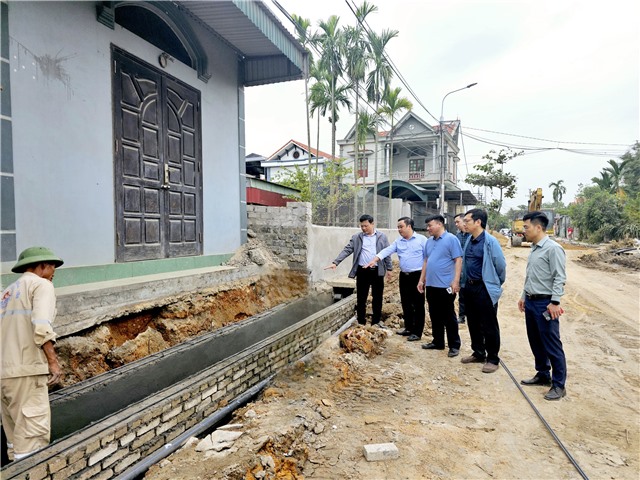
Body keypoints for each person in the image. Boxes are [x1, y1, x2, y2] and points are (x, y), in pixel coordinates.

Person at [1, 247, 64, 461]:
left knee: (15, 439)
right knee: (32, 443)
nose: (54, 270)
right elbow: (41, 325)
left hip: (5, 375)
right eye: (52, 265)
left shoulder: (7, 292)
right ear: (41, 266)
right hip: (26, 372)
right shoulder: (41, 285)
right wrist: (53, 362)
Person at [517, 211, 568, 401]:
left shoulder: (553, 249)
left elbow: (559, 277)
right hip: (531, 301)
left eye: (526, 227)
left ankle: (559, 385)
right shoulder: (535, 248)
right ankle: (543, 374)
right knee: (535, 340)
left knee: (552, 344)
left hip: (545, 303)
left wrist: (555, 302)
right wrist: (524, 296)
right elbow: (531, 275)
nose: (524, 231)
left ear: (538, 227)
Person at [459, 209, 506, 373]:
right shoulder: (469, 240)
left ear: (478, 222)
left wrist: (494, 284)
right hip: (470, 287)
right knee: (473, 322)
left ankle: (492, 358)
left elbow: (500, 266)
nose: (464, 224)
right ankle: (478, 353)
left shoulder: (490, 241)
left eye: (467, 221)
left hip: (484, 288)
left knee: (489, 324)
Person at [367, 217, 427, 341]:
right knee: (405, 303)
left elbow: (428, 258)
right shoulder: (398, 241)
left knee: (418, 304)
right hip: (404, 276)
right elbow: (387, 251)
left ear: (409, 226)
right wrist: (375, 259)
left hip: (418, 275)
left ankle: (417, 332)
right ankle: (409, 328)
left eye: (401, 227)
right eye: (398, 227)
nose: (399, 229)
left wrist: (424, 277)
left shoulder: (422, 240)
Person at [326, 214, 392, 326]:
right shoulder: (357, 237)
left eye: (366, 226)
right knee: (361, 297)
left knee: (377, 297)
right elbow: (347, 250)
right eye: (361, 226)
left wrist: (389, 268)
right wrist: (336, 262)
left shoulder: (382, 237)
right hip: (362, 271)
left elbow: (386, 253)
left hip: (377, 271)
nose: (363, 228)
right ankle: (361, 321)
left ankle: (376, 322)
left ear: (372, 224)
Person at [418, 215, 463, 357]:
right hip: (431, 285)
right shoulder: (429, 242)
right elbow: (426, 261)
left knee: (448, 315)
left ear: (439, 224)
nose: (428, 228)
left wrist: (456, 281)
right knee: (434, 314)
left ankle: (454, 345)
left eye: (430, 225)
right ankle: (438, 341)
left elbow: (458, 260)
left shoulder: (451, 239)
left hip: (445, 286)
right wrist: (421, 280)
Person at [453, 213, 470, 324]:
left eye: (457, 222)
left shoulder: (472, 236)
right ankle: (462, 316)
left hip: (471, 270)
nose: (456, 224)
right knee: (462, 294)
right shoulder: (457, 236)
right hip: (460, 269)